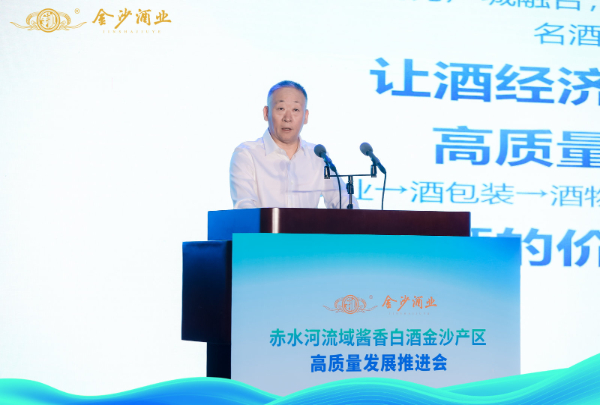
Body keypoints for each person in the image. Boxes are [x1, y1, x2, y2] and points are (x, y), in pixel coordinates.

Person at [229, 80, 357, 209]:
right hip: (264, 223)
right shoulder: (247, 154)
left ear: (305, 116)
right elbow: (244, 207)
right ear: (266, 113)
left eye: (295, 110)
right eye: (281, 109)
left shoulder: (317, 156)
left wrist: (354, 214)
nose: (288, 118)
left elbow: (342, 199)